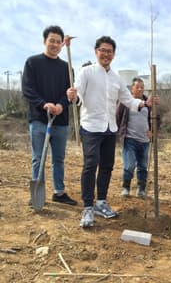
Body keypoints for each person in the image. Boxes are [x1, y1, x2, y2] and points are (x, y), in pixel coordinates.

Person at [66, 36, 155, 228]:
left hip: (110, 128)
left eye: (110, 51)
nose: (106, 54)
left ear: (113, 55)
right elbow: (78, 93)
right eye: (102, 50)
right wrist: (74, 96)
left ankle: (101, 202)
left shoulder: (116, 78)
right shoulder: (86, 72)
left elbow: (128, 100)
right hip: (91, 127)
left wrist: (143, 103)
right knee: (90, 165)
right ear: (96, 51)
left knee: (107, 165)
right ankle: (88, 207)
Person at [22, 25, 77, 206]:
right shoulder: (32, 62)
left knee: (58, 159)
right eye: (51, 40)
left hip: (60, 120)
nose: (54, 44)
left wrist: (61, 104)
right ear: (44, 41)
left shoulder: (66, 67)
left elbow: (69, 92)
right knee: (38, 157)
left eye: (58, 41)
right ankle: (38, 194)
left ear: (62, 44)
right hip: (39, 118)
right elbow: (28, 89)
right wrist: (43, 104)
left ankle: (59, 192)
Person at [116, 77, 151, 198]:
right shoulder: (125, 102)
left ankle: (141, 189)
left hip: (145, 140)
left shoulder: (148, 102)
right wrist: (120, 133)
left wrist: (152, 131)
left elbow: (155, 118)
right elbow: (117, 117)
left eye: (142, 87)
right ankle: (126, 187)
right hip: (130, 139)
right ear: (132, 89)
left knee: (143, 166)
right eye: (137, 87)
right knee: (129, 165)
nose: (140, 89)